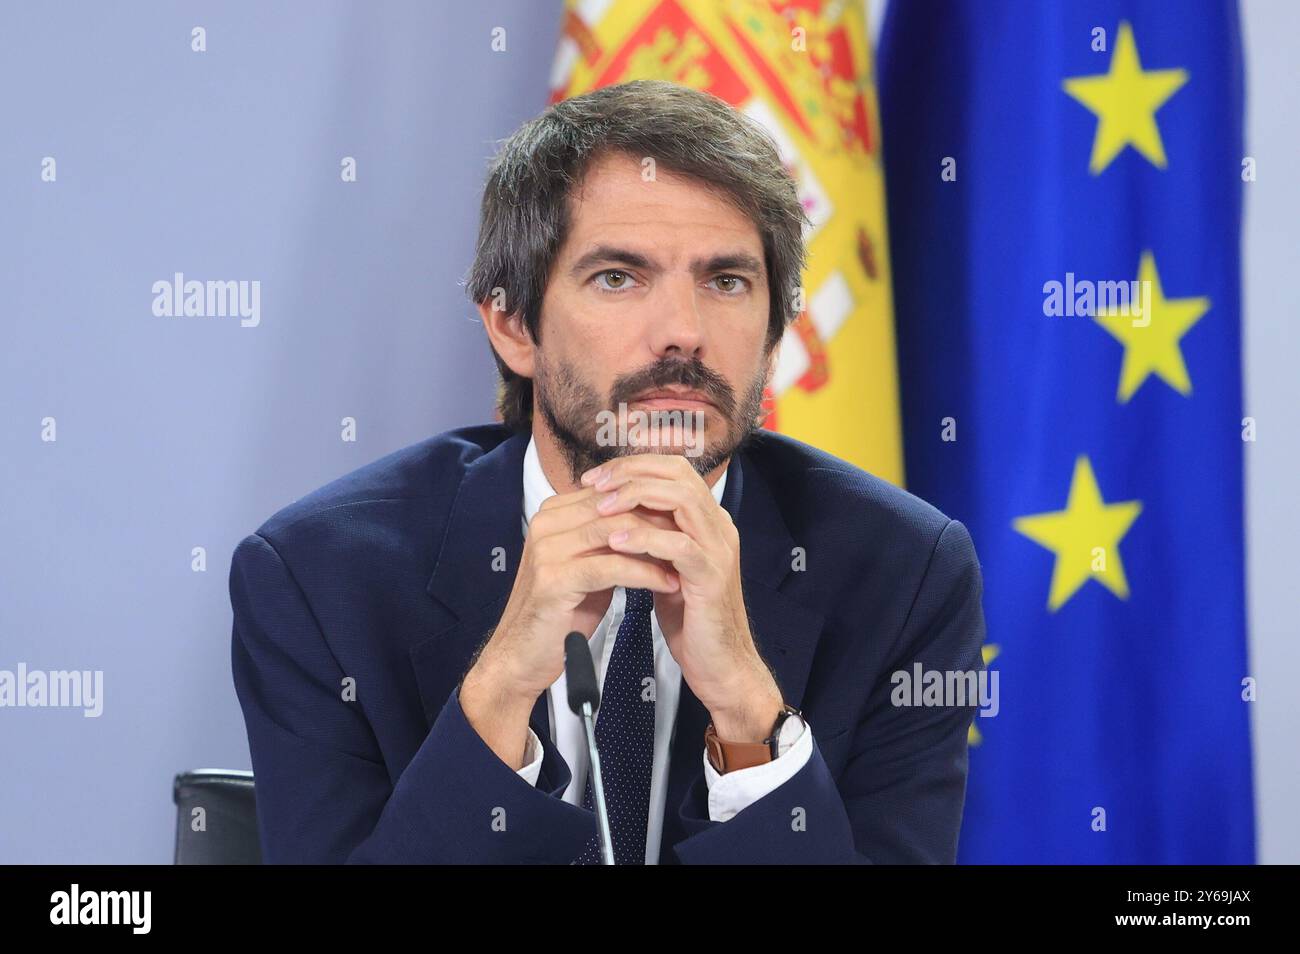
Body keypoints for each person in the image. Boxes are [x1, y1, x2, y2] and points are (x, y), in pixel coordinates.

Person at [230, 79, 986, 864]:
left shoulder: (904, 575)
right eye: (617, 278)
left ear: (771, 336)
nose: (682, 334)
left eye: (726, 281)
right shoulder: (321, 579)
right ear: (514, 325)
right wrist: (498, 694)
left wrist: (749, 712)